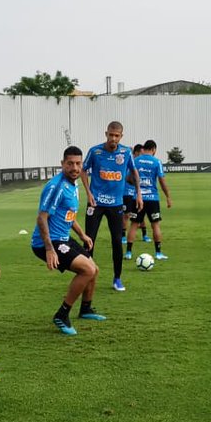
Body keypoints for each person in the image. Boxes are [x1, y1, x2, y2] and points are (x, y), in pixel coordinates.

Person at [31, 146, 104, 335]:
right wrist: (49, 249)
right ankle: (61, 315)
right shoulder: (56, 186)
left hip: (63, 238)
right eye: (70, 163)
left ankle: (86, 309)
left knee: (94, 269)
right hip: (47, 242)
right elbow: (42, 217)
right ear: (62, 164)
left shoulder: (74, 183)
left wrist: (82, 235)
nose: (75, 167)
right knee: (87, 270)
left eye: (78, 163)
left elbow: (68, 215)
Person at [82, 121, 141, 292]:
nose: (113, 138)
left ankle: (117, 278)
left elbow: (134, 171)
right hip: (96, 202)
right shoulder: (95, 151)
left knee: (116, 241)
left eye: (117, 135)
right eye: (111, 135)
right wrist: (88, 193)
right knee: (89, 240)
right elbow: (83, 170)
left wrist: (139, 193)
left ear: (121, 136)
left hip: (116, 204)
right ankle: (87, 275)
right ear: (106, 134)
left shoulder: (126, 152)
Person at [126, 139, 172, 260]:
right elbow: (162, 181)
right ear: (154, 149)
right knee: (155, 225)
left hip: (137, 198)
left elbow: (129, 179)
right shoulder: (157, 162)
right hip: (152, 198)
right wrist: (168, 196)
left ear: (144, 148)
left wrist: (137, 184)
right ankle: (158, 253)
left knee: (134, 225)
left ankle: (128, 253)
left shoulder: (135, 160)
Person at [121, 144, 148, 245]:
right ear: (136, 153)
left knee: (141, 214)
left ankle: (145, 234)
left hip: (138, 193)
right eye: (140, 153)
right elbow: (127, 178)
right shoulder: (129, 162)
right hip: (127, 192)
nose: (142, 155)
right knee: (126, 215)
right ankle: (123, 236)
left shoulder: (140, 164)